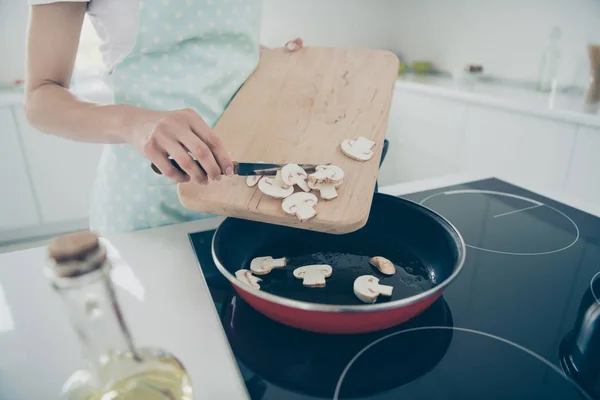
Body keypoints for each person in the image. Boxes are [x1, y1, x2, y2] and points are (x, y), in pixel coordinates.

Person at [24, 0, 303, 235]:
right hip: (153, 206)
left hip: (250, 190)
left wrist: (270, 60)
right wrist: (136, 123)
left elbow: (217, 43)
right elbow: (41, 98)